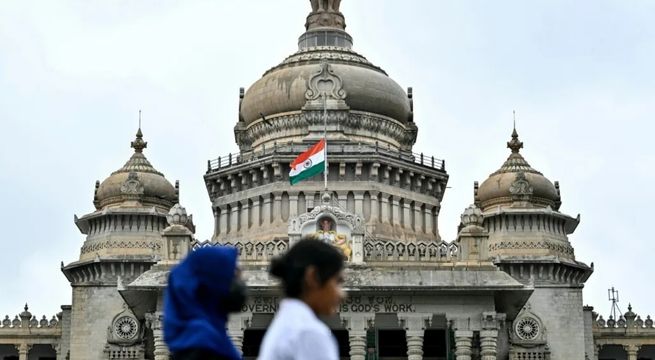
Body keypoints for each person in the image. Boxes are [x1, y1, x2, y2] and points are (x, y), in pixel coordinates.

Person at [258, 239, 345, 360]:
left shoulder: (287, 324)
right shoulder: (308, 332)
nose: (342, 294)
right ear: (313, 277)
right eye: (337, 282)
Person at [164, 246, 247, 360]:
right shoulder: (203, 344)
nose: (242, 284)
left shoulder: (204, 337)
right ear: (212, 283)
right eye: (234, 275)